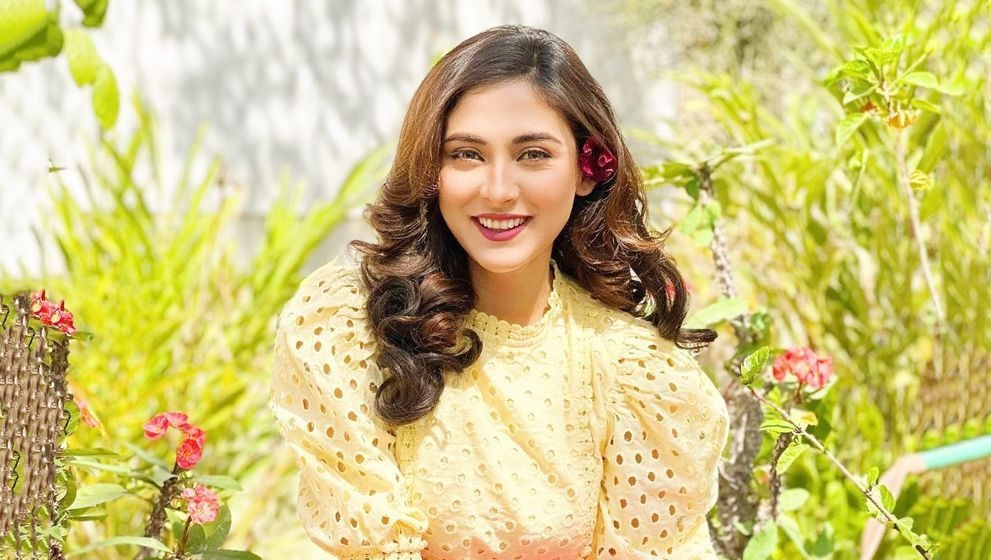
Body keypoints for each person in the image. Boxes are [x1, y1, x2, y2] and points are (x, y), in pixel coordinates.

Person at [269, 24, 730, 559]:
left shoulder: (633, 370)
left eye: (532, 154)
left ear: (587, 169)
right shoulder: (350, 326)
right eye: (467, 154)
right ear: (432, 170)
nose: (498, 190)